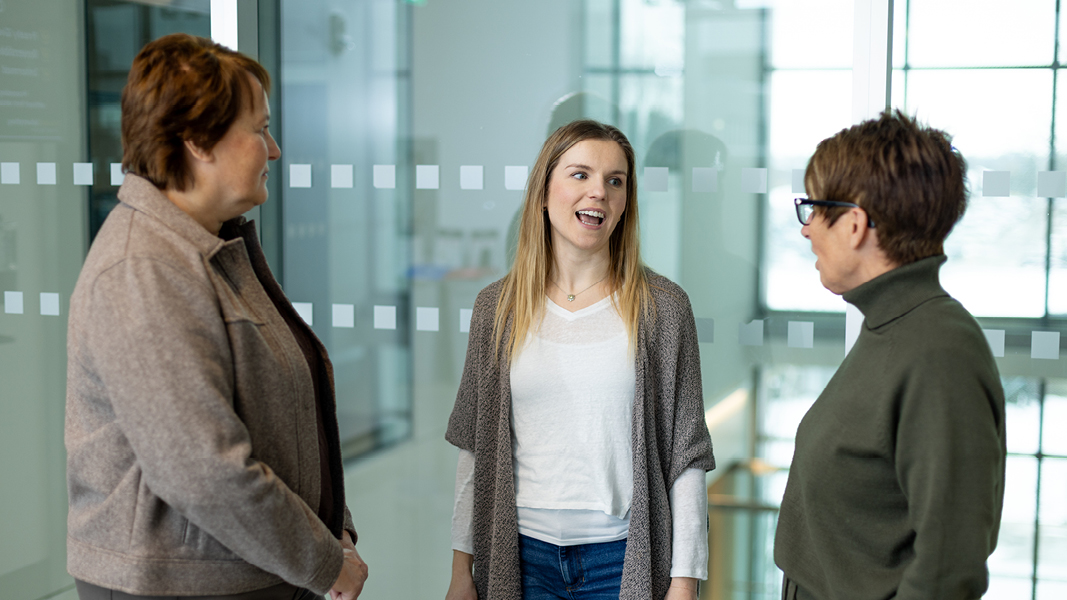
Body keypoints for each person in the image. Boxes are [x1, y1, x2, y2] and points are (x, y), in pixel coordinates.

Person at [65, 34, 368, 600]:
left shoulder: (213, 250)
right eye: (260, 129)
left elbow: (281, 416)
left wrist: (333, 531)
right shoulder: (144, 269)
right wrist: (323, 560)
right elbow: (202, 471)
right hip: (177, 584)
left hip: (251, 571)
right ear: (198, 140)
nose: (274, 150)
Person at [444, 120, 716, 600]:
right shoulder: (497, 308)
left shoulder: (663, 308)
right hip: (520, 558)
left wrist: (684, 582)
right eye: (580, 175)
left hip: (621, 560)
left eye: (615, 180)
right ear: (543, 192)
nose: (599, 192)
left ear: (626, 202)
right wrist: (460, 571)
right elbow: (474, 447)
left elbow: (687, 458)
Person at [774, 110, 1006, 600]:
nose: (806, 230)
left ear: (854, 223)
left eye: (814, 209)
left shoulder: (938, 352)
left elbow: (948, 571)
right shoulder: (891, 325)